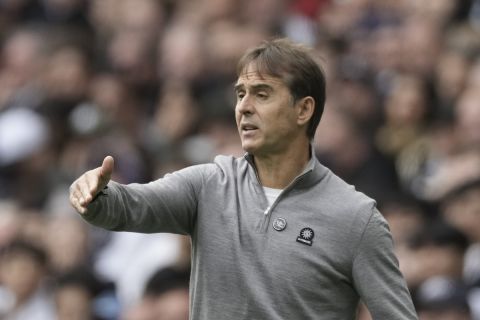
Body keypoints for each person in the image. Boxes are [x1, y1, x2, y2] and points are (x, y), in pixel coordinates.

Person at [69, 38, 417, 319]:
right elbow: (128, 206)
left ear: (304, 109)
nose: (244, 107)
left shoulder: (356, 217)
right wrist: (96, 196)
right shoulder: (208, 184)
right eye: (240, 94)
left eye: (262, 94)